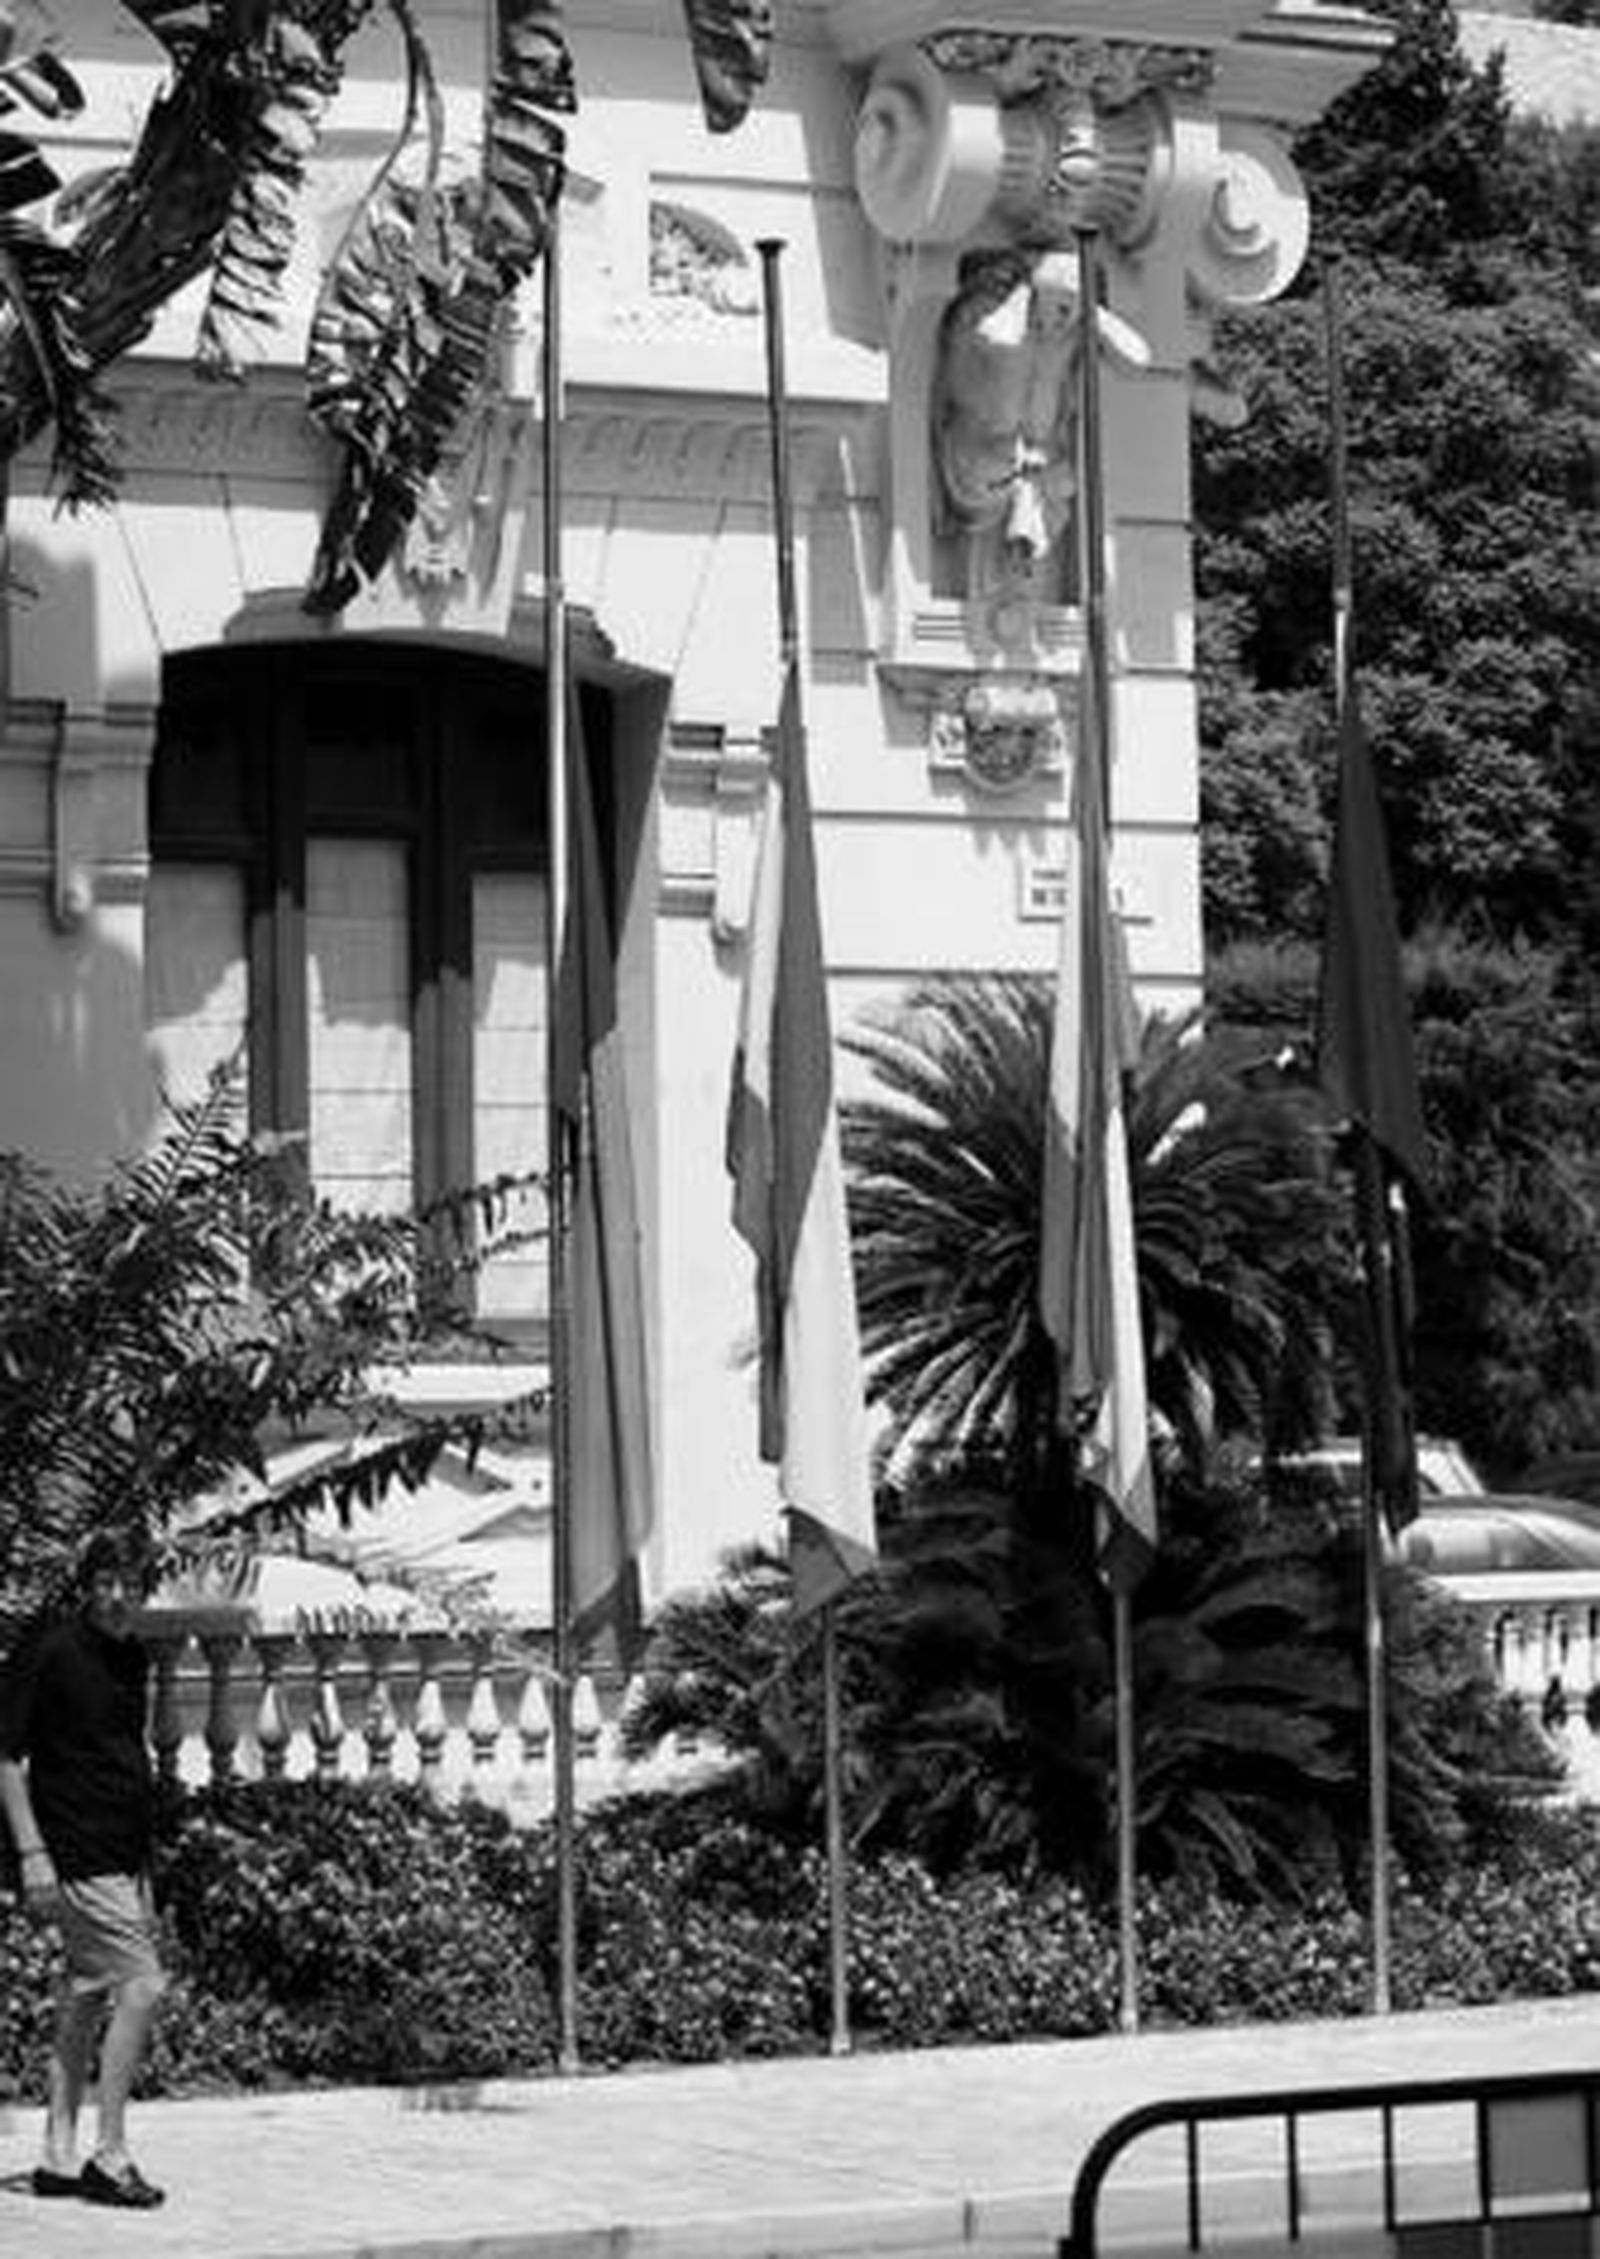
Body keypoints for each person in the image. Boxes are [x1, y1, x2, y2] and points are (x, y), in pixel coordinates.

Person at [0, 1530, 167, 2208]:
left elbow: (127, 1762)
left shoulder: (133, 1657)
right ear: (88, 1582)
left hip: (120, 1854)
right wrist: (33, 1853)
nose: (119, 1593)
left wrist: (144, 1867)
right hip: (72, 1850)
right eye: (107, 1579)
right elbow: (6, 1759)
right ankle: (111, 2153)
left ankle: (57, 2155)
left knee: (88, 1990)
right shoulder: (50, 1649)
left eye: (130, 1581)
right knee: (144, 1985)